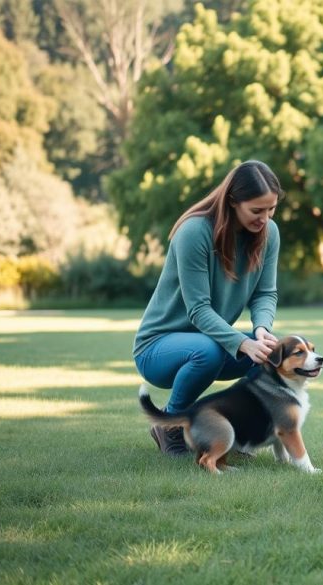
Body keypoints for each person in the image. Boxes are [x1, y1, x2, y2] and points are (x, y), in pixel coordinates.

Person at [133, 160, 283, 455]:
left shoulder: (269, 234)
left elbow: (265, 293)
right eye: (256, 210)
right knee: (208, 351)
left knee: (270, 357)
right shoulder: (194, 232)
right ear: (232, 202)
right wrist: (242, 342)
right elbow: (198, 309)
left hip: (213, 341)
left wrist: (261, 331)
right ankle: (169, 426)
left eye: (271, 209)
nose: (265, 218)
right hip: (158, 348)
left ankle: (239, 436)